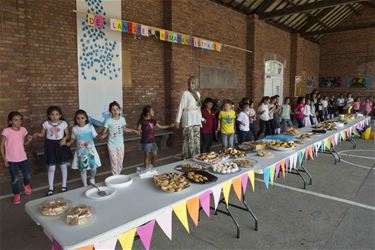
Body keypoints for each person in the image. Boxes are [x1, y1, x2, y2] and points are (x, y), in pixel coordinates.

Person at [33, 106, 71, 196]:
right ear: (49, 115)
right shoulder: (46, 123)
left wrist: (65, 139)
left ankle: (64, 185)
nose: (54, 116)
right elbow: (42, 134)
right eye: (52, 114)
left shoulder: (63, 123)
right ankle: (50, 187)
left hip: (61, 144)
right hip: (50, 145)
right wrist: (36, 134)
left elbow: (68, 134)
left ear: (60, 115)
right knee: (51, 167)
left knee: (63, 166)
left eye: (57, 114)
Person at [0, 112, 33, 204]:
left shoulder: (23, 130)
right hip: (11, 160)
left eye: (20, 119)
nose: (19, 122)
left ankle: (26, 184)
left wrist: (29, 140)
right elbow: (1, 145)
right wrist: (5, 159)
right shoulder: (6, 131)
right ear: (10, 121)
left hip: (22, 158)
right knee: (15, 178)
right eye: (16, 120)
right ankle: (16, 195)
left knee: (27, 175)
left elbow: (24, 143)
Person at [101, 101, 138, 175]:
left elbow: (124, 129)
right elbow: (104, 132)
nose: (115, 111)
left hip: (120, 144)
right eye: (113, 109)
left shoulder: (122, 119)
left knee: (120, 161)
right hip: (112, 145)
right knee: (114, 161)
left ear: (119, 110)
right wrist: (105, 133)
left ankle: (118, 174)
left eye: (117, 109)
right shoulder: (108, 121)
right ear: (110, 111)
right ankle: (115, 176)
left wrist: (133, 130)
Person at [67, 110, 101, 187]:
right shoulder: (75, 129)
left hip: (91, 151)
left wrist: (100, 137)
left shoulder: (90, 127)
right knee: (83, 169)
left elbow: (95, 136)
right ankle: (85, 185)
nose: (80, 120)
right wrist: (69, 143)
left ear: (86, 118)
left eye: (82, 118)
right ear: (75, 119)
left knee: (93, 168)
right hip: (81, 152)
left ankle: (92, 178)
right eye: (78, 118)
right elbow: (73, 138)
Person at [175, 76, 203, 159]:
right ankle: (188, 157)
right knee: (189, 140)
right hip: (188, 118)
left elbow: (198, 108)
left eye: (193, 83)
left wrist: (201, 118)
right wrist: (177, 120)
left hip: (196, 119)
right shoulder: (185, 93)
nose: (191, 85)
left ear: (196, 84)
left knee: (197, 139)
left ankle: (197, 157)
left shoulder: (198, 94)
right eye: (189, 83)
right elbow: (181, 106)